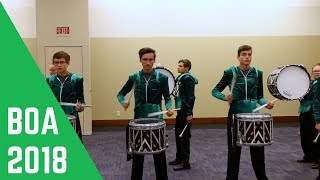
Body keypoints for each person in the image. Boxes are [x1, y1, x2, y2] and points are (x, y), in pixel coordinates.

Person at [211, 45, 274, 180]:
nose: (247, 57)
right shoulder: (230, 72)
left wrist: (265, 103)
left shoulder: (258, 73)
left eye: (249, 54)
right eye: (244, 54)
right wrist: (224, 97)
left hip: (254, 117)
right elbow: (214, 91)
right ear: (238, 57)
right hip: (235, 116)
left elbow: (259, 96)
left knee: (258, 150)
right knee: (234, 152)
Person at [117, 47, 173, 180]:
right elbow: (120, 94)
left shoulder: (162, 78)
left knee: (159, 155)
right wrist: (123, 102)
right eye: (145, 60)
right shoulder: (134, 77)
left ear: (154, 61)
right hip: (139, 121)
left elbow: (168, 98)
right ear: (140, 60)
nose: (148, 63)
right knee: (138, 156)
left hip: (157, 120)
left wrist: (169, 108)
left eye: (150, 60)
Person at [46, 51, 85, 141]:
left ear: (67, 63)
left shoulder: (77, 79)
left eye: (62, 62)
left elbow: (82, 102)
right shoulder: (49, 80)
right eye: (56, 62)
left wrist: (80, 108)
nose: (59, 65)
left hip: (71, 119)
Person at [169, 59, 198, 171]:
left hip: (186, 111)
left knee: (184, 136)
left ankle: (186, 163)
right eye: (178, 65)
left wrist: (189, 113)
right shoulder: (181, 77)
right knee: (178, 134)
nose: (178, 67)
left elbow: (191, 97)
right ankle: (179, 158)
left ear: (187, 68)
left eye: (180, 66)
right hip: (180, 110)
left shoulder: (188, 78)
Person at [297, 64, 320, 169]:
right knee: (304, 133)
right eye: (315, 71)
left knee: (314, 134)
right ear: (312, 73)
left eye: (319, 71)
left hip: (314, 111)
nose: (317, 73)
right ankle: (308, 155)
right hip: (304, 110)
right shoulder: (309, 83)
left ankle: (318, 159)